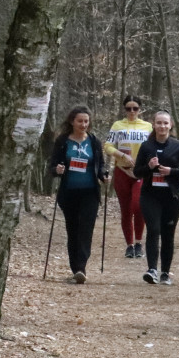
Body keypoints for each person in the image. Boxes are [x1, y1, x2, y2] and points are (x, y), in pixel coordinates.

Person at [133, 110, 179, 285]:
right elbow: (137, 172)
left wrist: (172, 171)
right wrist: (149, 166)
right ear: (153, 124)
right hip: (150, 195)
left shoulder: (178, 146)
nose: (162, 126)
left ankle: (165, 273)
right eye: (159, 123)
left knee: (168, 234)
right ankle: (152, 269)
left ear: (170, 125)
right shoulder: (146, 146)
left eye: (165, 123)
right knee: (153, 229)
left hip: (172, 197)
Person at [48, 106, 109, 283]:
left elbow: (101, 165)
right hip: (69, 192)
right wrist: (57, 169)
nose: (83, 124)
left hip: (90, 192)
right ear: (72, 122)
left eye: (86, 121)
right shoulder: (62, 141)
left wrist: (104, 175)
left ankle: (81, 267)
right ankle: (75, 267)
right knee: (72, 229)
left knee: (86, 230)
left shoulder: (94, 141)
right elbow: (52, 166)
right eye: (80, 121)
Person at [106, 95, 153, 259]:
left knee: (138, 206)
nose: (132, 111)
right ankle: (130, 245)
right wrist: (120, 155)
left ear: (140, 109)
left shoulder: (147, 127)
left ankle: (139, 243)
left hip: (141, 172)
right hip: (122, 171)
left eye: (135, 108)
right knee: (126, 210)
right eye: (128, 108)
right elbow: (108, 146)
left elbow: (153, 147)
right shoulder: (118, 125)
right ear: (124, 109)